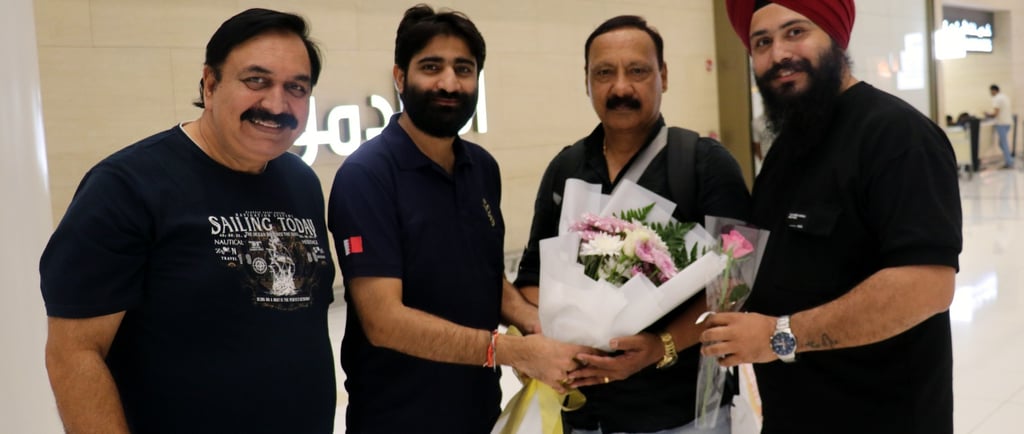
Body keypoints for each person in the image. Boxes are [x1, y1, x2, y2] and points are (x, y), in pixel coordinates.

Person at [39, 8, 336, 433]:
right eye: (257, 81)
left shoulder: (301, 182)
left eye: (296, 88)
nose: (276, 104)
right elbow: (74, 353)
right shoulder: (127, 186)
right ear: (210, 84)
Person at [328, 5, 594, 433]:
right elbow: (383, 321)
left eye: (463, 69)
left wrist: (535, 324)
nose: (449, 83)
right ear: (400, 77)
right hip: (398, 418)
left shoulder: (481, 167)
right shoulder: (367, 175)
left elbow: (485, 275)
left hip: (481, 411)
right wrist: (513, 352)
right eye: (431, 67)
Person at [705, 1, 963, 433]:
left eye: (795, 32)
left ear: (835, 36)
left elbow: (928, 286)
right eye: (762, 42)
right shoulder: (787, 147)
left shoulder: (897, 134)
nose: (779, 54)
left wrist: (778, 335)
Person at [514, 15, 751, 434]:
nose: (620, 88)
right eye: (604, 73)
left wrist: (662, 346)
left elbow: (738, 280)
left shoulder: (704, 164)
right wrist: (541, 338)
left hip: (681, 414)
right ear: (587, 82)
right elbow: (533, 275)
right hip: (582, 412)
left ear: (663, 75)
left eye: (637, 71)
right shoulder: (566, 168)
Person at [985, 84, 1014, 169]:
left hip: (1001, 124)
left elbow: (995, 113)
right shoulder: (1005, 97)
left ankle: (1009, 162)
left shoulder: (997, 98)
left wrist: (988, 114)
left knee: (1003, 144)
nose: (990, 93)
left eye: (991, 91)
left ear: (994, 90)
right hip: (1008, 122)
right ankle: (1009, 159)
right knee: (1001, 143)